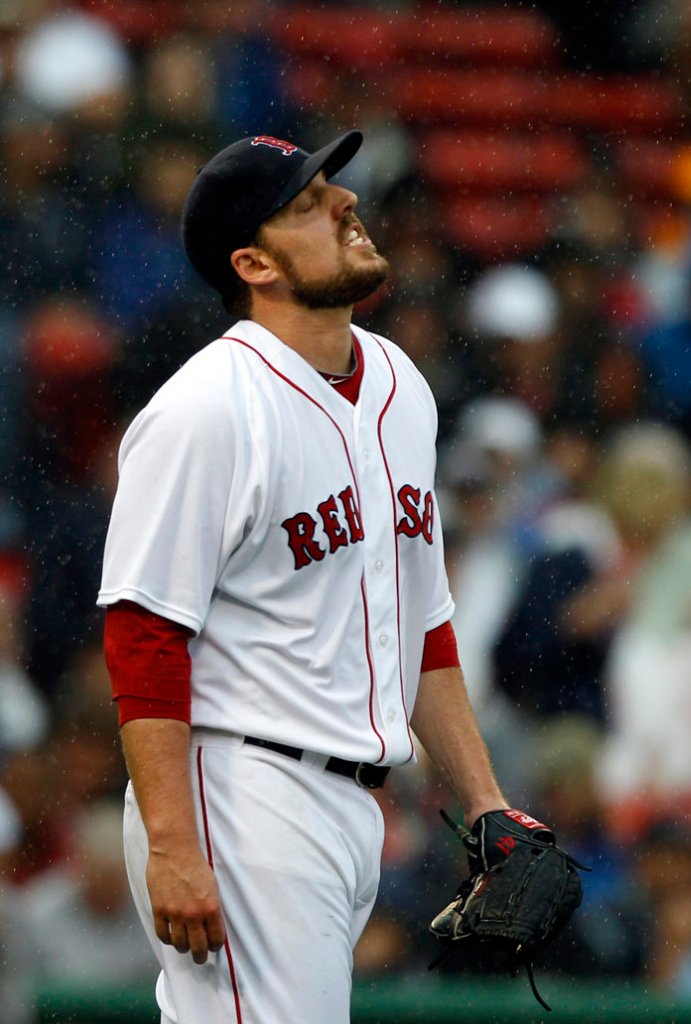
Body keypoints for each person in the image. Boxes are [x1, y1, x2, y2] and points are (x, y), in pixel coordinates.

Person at [97, 129, 547, 1024]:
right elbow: (143, 633)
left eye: (335, 188)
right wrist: (174, 845)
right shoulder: (206, 408)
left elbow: (424, 624)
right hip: (239, 789)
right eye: (307, 203)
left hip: (349, 813)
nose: (344, 204)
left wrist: (488, 804)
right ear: (254, 262)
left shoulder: (399, 383)